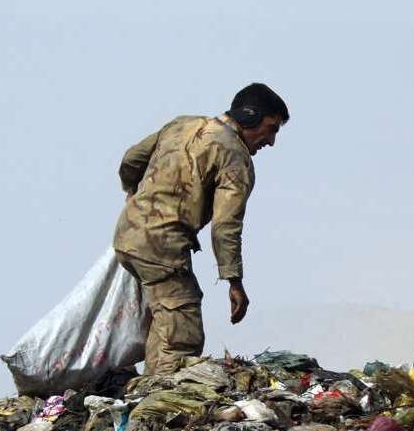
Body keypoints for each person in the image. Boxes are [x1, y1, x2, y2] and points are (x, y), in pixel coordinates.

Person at [112, 84, 289, 375]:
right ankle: (158, 400)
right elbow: (225, 225)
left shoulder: (182, 125)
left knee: (166, 320)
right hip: (162, 246)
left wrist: (133, 191)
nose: (270, 141)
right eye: (270, 129)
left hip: (127, 235)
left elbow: (131, 159)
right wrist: (233, 280)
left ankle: (145, 392)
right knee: (183, 335)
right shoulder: (235, 157)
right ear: (250, 116)